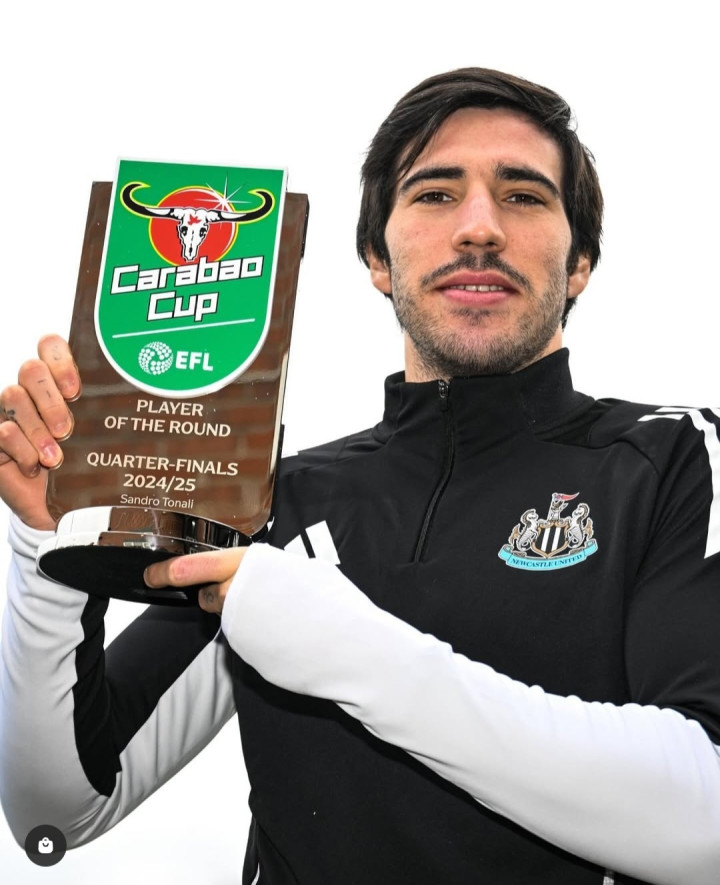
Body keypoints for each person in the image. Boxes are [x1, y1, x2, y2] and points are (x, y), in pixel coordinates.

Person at [1, 67, 720, 885]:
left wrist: (351, 651)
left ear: (580, 259)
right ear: (377, 257)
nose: (479, 227)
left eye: (523, 195)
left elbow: (707, 819)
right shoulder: (274, 502)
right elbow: (58, 809)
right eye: (435, 194)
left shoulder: (673, 457)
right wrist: (43, 542)